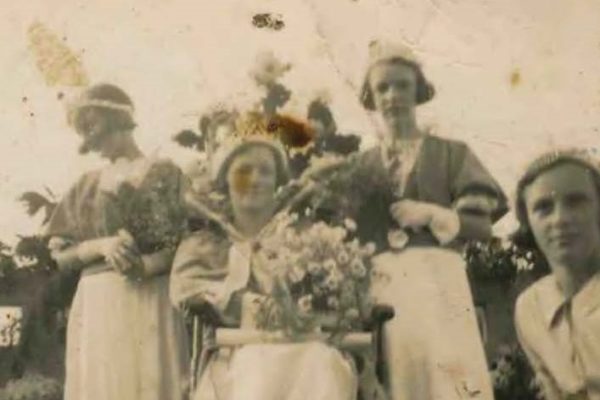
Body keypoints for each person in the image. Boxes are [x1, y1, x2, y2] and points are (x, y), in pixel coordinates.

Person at [352, 40, 508, 400]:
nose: (393, 96)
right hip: (384, 284)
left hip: (439, 279)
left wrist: (434, 214)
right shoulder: (358, 167)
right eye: (383, 88)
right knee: (399, 372)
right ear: (371, 97)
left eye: (402, 85)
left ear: (419, 91)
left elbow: (481, 227)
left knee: (447, 371)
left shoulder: (452, 154)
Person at [170, 123, 358, 400]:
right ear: (226, 180)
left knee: (322, 362)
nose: (255, 179)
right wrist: (252, 307)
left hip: (305, 347)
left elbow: (335, 297)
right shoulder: (204, 246)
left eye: (266, 171)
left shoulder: (303, 236)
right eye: (244, 170)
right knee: (256, 366)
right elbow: (188, 294)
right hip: (235, 352)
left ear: (277, 181)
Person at [45, 83, 189, 400]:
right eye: (83, 132)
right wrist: (101, 246)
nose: (91, 141)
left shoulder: (167, 174)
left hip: (153, 296)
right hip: (101, 303)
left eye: (94, 127)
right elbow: (61, 256)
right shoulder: (86, 185)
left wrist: (148, 265)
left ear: (118, 120)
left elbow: (189, 241)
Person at [514, 149, 600, 400]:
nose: (560, 219)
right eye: (543, 207)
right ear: (527, 221)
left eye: (576, 201)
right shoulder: (530, 307)